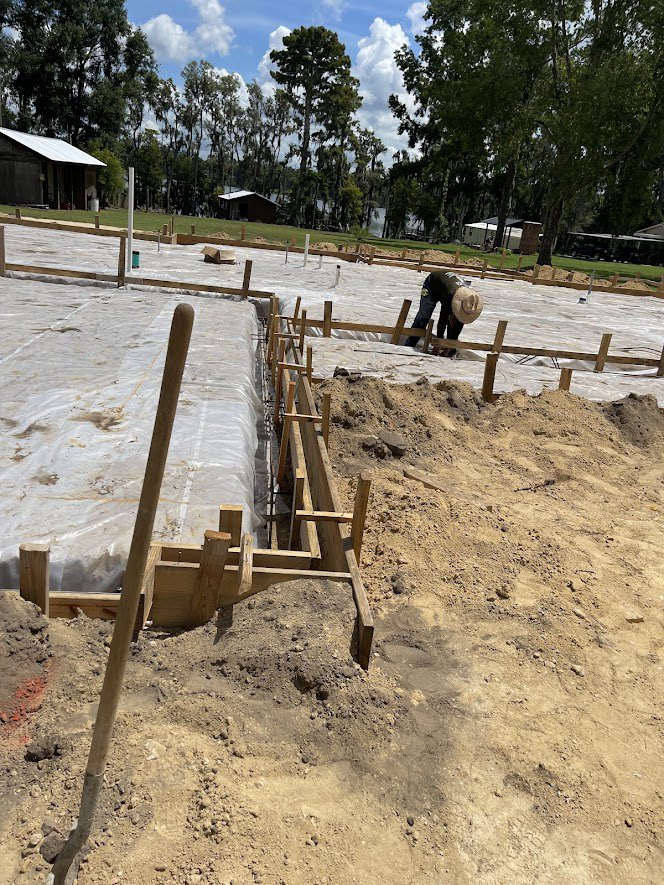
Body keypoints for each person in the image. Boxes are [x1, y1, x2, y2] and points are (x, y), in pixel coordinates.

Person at [405, 270, 483, 352]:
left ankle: (450, 350)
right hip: (432, 285)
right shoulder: (451, 298)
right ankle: (409, 345)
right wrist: (438, 342)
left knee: (455, 325)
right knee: (423, 317)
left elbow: (459, 324)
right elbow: (442, 320)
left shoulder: (469, 301)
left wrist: (450, 345)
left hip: (447, 288)